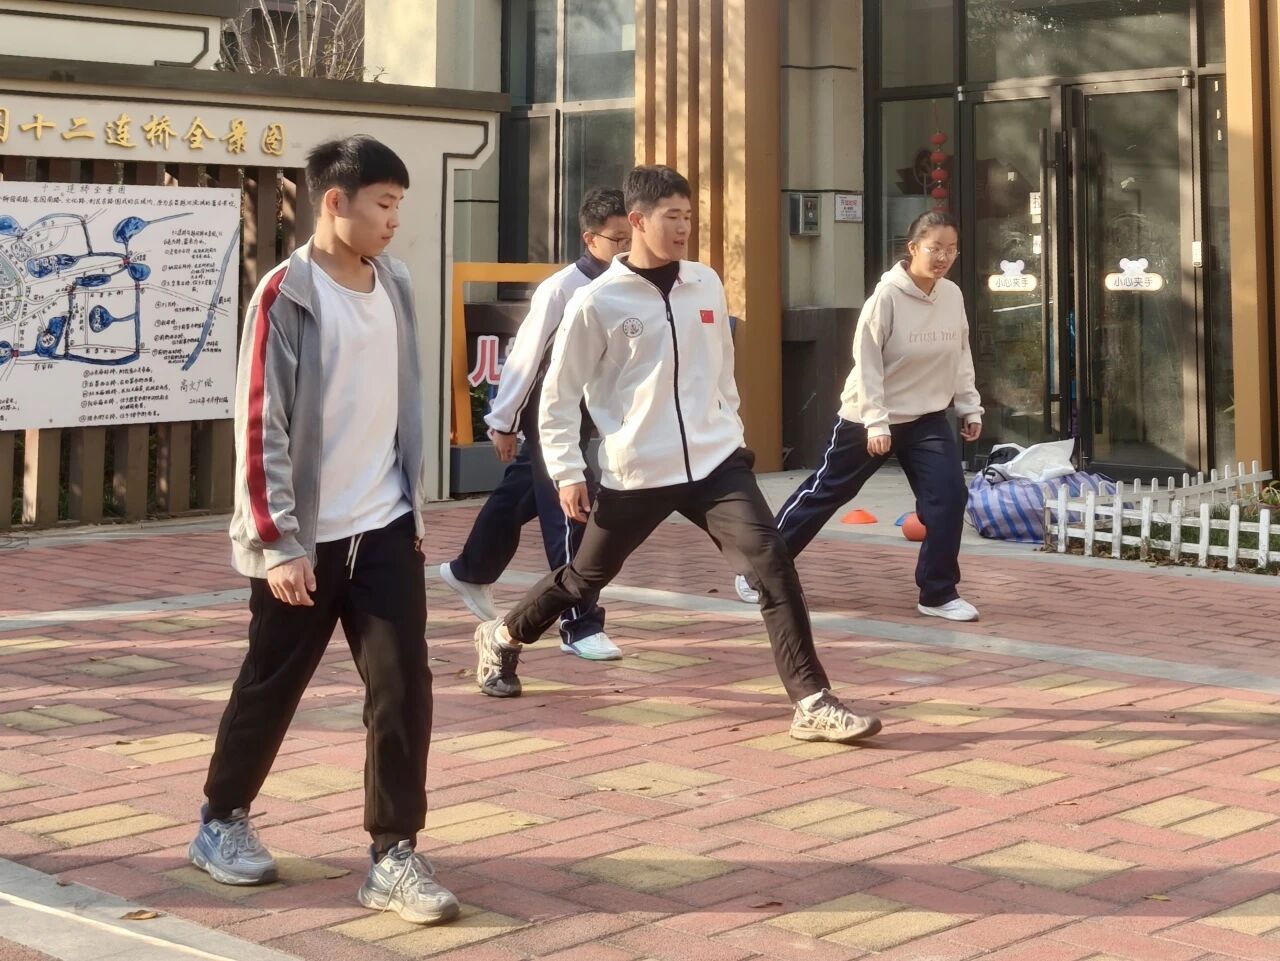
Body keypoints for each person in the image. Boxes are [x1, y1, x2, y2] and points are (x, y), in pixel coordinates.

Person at [471, 164, 881, 745]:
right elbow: (558, 397)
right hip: (639, 468)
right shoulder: (596, 301)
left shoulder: (705, 283)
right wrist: (565, 471)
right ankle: (503, 636)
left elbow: (722, 369)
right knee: (584, 578)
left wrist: (731, 429)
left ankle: (812, 700)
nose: (684, 227)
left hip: (715, 464)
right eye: (672, 217)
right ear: (638, 221)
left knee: (771, 561)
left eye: (689, 216)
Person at [188, 135, 458, 926]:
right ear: (334, 201)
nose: (394, 220)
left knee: (403, 685)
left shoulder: (394, 282)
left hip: (383, 526)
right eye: (384, 203)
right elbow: (259, 423)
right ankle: (221, 817)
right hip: (302, 541)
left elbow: (400, 399)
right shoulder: (286, 293)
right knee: (272, 682)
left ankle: (394, 852)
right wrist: (278, 542)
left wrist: (411, 507)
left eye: (399, 204)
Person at [734, 210, 984, 622]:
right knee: (826, 492)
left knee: (949, 496)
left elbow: (959, 353)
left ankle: (938, 593)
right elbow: (866, 363)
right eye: (935, 248)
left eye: (951, 250)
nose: (943, 257)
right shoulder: (886, 298)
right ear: (913, 248)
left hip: (926, 418)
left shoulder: (951, 295)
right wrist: (876, 422)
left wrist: (969, 405)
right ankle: (759, 571)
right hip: (867, 417)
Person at [439, 188, 629, 661]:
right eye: (618, 239)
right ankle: (579, 623)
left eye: (633, 237)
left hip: (584, 420)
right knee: (571, 514)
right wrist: (503, 422)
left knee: (519, 494)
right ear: (590, 239)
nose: (627, 247)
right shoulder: (562, 289)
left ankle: (470, 569)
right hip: (551, 419)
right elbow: (525, 359)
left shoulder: (628, 283)